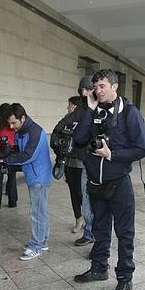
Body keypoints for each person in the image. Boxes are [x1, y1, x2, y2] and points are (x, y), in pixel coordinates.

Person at [72, 69, 145, 290]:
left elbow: (141, 149)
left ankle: (125, 278)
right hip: (96, 182)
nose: (98, 90)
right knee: (99, 229)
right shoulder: (93, 110)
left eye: (103, 86)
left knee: (124, 233)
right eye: (96, 86)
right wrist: (89, 109)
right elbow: (79, 139)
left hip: (118, 183)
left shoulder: (129, 113)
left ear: (115, 86)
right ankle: (98, 269)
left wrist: (111, 155)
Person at [0, 103, 52, 261]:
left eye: (14, 122)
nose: (11, 126)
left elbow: (28, 155)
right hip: (32, 175)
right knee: (40, 210)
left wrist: (5, 160)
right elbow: (19, 151)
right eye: (10, 123)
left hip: (40, 177)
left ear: (23, 118)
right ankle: (42, 241)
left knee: (37, 212)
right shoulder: (21, 131)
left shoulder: (36, 131)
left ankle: (36, 246)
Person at [51, 95, 87, 233]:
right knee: (73, 192)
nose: (68, 107)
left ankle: (86, 218)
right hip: (68, 162)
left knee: (80, 192)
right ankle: (78, 219)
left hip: (80, 163)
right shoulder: (66, 121)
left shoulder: (84, 120)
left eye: (69, 105)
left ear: (75, 106)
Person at [73, 76, 96, 247]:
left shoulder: (106, 109)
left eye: (87, 90)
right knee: (86, 202)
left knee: (100, 206)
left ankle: (99, 240)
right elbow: (79, 137)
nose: (84, 94)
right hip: (86, 161)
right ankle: (89, 233)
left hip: (103, 164)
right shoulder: (83, 109)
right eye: (82, 91)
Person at [0, 103, 18, 209]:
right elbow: (16, 140)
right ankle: (12, 202)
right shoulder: (12, 125)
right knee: (12, 178)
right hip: (11, 154)